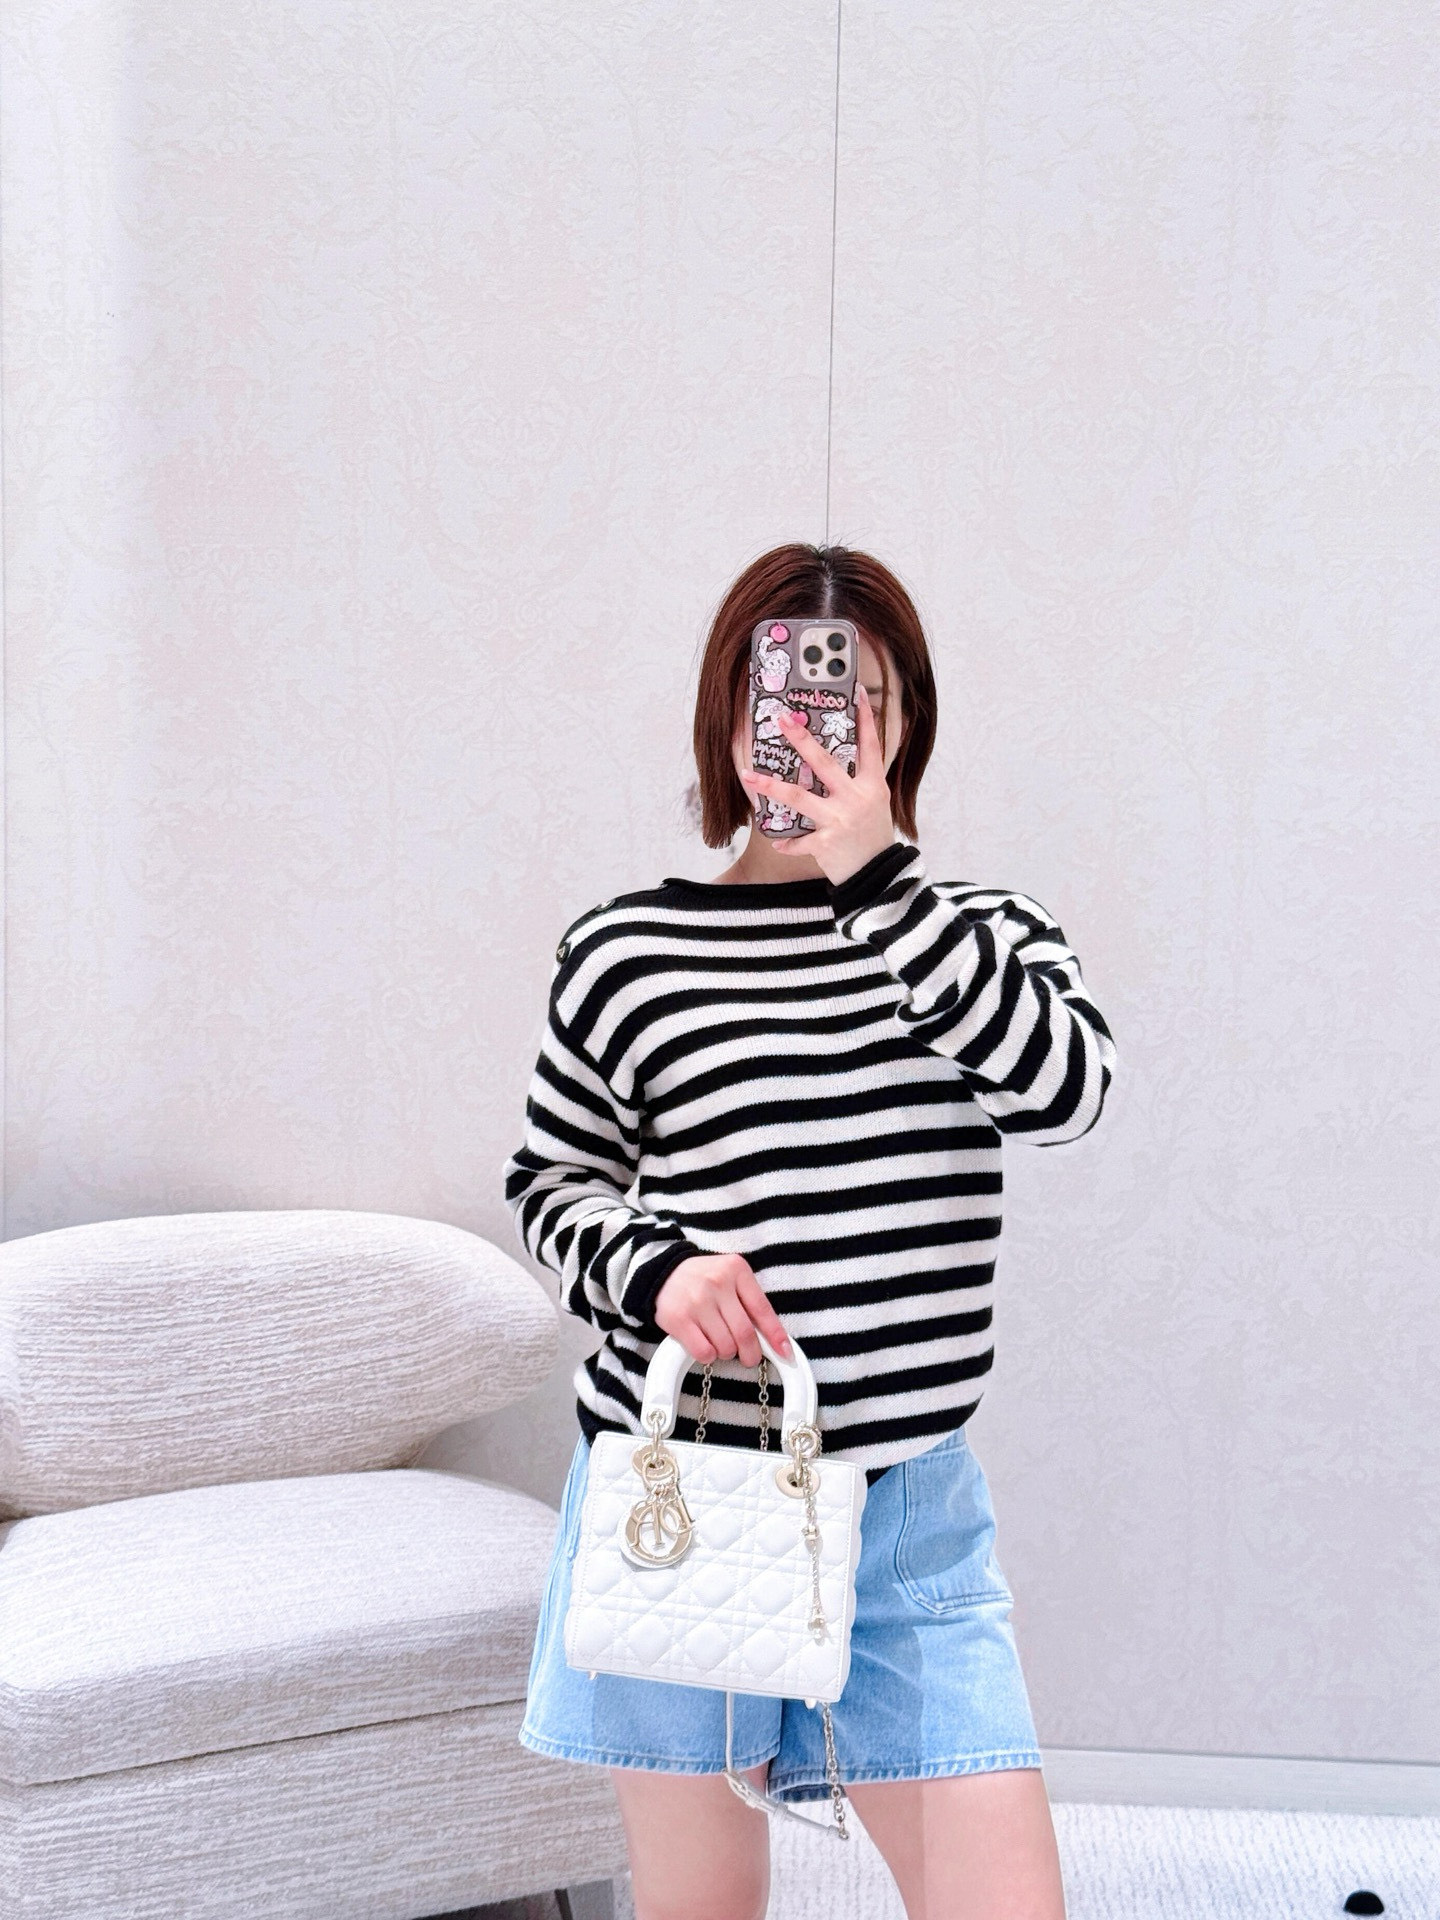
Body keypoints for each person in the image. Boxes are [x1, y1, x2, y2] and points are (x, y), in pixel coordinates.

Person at [501, 543, 1117, 1920]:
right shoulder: (628, 950)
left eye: (859, 700)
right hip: (684, 1496)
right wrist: (657, 1271)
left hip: (905, 1514)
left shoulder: (981, 935)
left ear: (902, 727)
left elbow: (1067, 1092)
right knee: (704, 1909)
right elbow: (550, 1182)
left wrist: (882, 884)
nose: (818, 729)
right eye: (778, 697)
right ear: (730, 720)